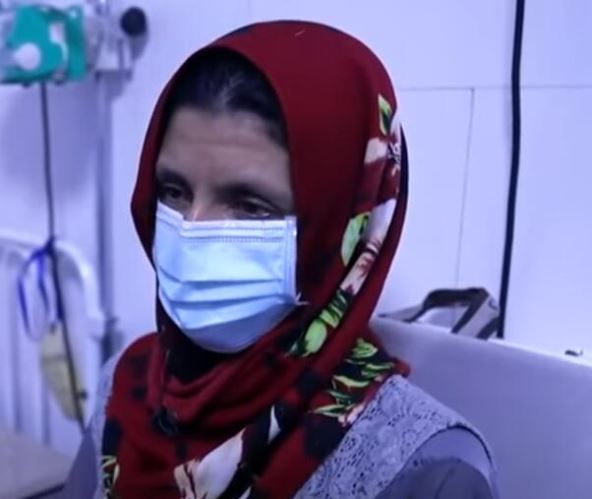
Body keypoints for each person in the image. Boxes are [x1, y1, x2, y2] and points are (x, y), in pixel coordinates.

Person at [62, 21, 497, 498]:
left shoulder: (423, 469)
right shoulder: (125, 384)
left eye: (250, 205)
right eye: (174, 191)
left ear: (341, 227)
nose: (193, 229)